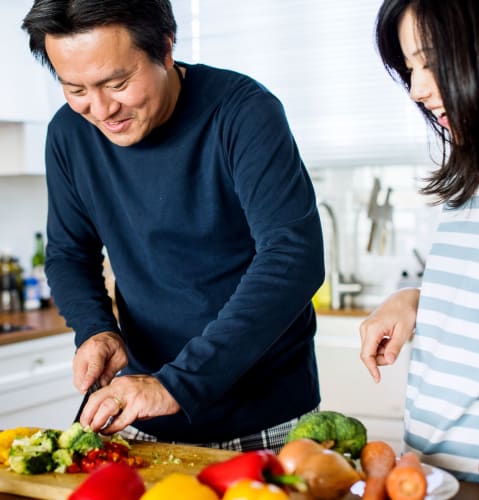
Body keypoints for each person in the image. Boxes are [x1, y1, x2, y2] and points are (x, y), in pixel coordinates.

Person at [21, 0, 325, 453]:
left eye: (118, 83)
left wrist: (176, 386)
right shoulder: (68, 133)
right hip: (143, 411)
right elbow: (69, 254)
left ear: (165, 48)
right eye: (75, 88)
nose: (102, 109)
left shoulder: (243, 112)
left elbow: (293, 258)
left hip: (266, 417)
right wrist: (96, 330)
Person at [359, 0, 479, 488]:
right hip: (434, 477)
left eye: (432, 60)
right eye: (411, 66)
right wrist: (418, 300)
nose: (417, 88)